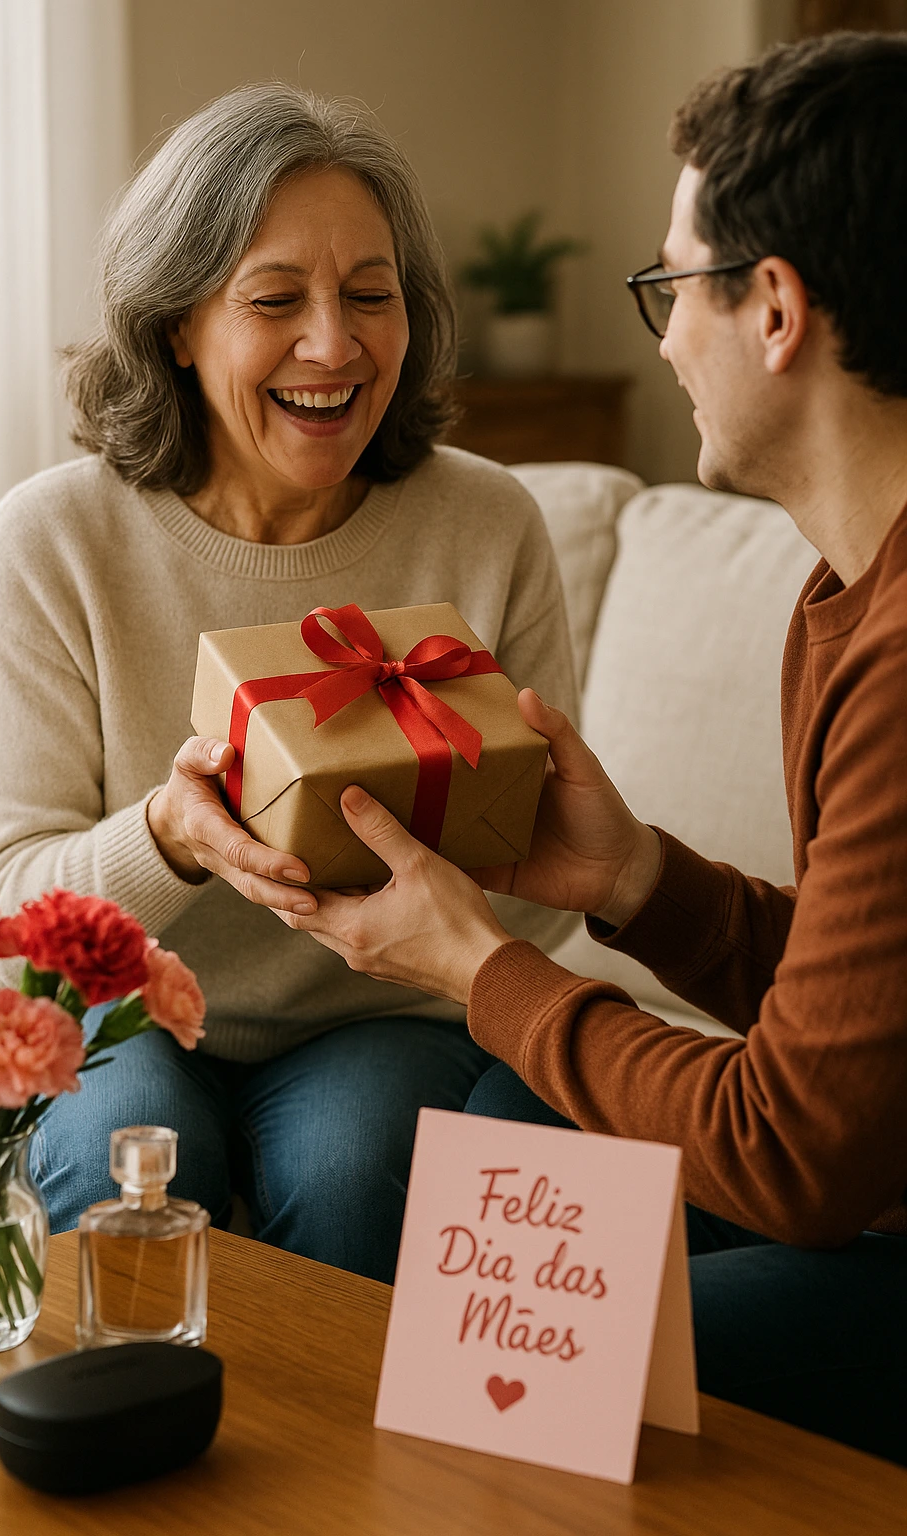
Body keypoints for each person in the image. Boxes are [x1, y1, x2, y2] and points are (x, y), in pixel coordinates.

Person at [274, 33, 907, 1461]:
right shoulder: (843, 597)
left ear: (777, 309)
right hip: (862, 1180)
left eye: (671, 286)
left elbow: (797, 1149)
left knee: (494, 1373)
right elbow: (858, 1025)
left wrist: (473, 967)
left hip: (856, 1210)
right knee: (501, 1169)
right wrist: (634, 880)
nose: (666, 334)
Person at [0, 83, 576, 1284]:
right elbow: (1, 922)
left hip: (379, 1018)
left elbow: (541, 895)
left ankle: (341, 1474)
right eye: (274, 300)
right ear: (178, 325)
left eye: (369, 296)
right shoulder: (52, 539)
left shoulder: (488, 525)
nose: (333, 346)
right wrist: (167, 839)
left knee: (349, 1172)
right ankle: (129, 1438)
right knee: (130, 1146)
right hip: (125, 1004)